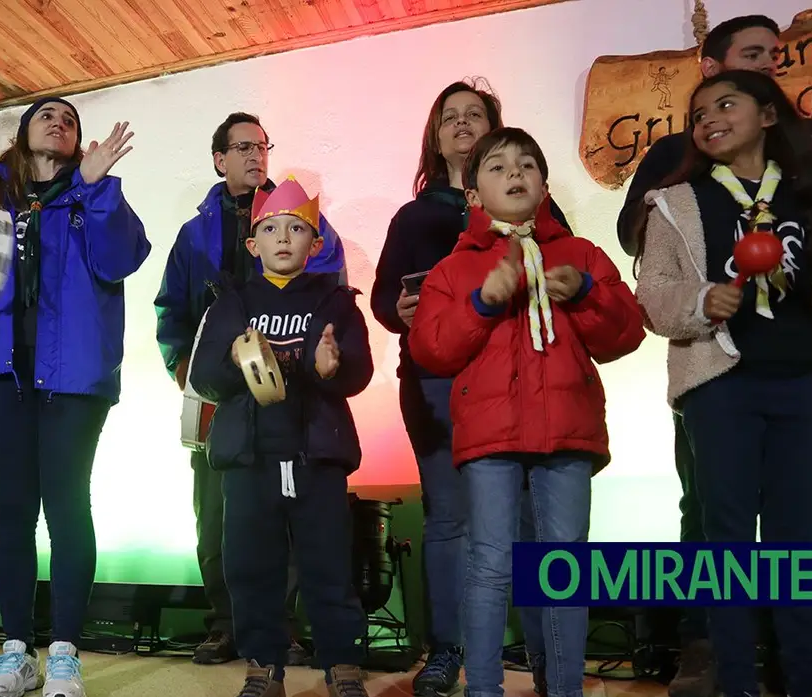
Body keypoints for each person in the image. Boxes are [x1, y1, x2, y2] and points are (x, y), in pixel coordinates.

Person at [614, 16, 812, 697]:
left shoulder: (807, 194)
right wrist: (704, 301)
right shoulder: (673, 201)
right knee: (725, 537)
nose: (708, 119)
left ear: (766, 112)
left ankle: (809, 678)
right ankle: (734, 680)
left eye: (725, 105)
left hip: (801, 383)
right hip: (719, 385)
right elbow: (655, 296)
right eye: (699, 113)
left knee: (798, 540)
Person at [409, 128, 645, 697]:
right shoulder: (453, 270)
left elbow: (627, 332)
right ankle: (483, 688)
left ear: (542, 185)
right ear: (473, 195)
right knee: (489, 564)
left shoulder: (582, 256)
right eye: (496, 167)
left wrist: (586, 293)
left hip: (568, 432)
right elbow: (431, 348)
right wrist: (483, 302)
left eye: (527, 165)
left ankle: (562, 688)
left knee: (564, 568)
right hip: (489, 437)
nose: (514, 174)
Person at [0, 96, 150, 697]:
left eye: (69, 120)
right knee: (10, 510)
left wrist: (93, 187)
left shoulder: (95, 191)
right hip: (1, 375)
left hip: (75, 375)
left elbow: (119, 260)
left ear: (78, 144)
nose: (58, 123)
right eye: (46, 116)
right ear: (24, 134)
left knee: (66, 506)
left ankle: (63, 651)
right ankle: (15, 652)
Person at [369, 80, 562, 697]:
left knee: (532, 520)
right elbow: (381, 302)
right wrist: (402, 309)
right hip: (434, 381)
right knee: (448, 519)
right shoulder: (413, 215)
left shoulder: (536, 211)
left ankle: (543, 651)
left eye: (473, 115)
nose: (460, 124)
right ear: (435, 134)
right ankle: (446, 650)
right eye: (449, 117)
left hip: (518, 378)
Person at [153, 112, 345, 666]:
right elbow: (170, 308)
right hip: (221, 396)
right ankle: (224, 623)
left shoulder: (302, 222)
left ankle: (278, 625)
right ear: (219, 159)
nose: (255, 155)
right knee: (215, 515)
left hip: (293, 397)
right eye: (241, 147)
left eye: (262, 145)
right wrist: (187, 371)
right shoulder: (194, 235)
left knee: (284, 511)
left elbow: (330, 284)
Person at [189, 176, 373, 697]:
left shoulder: (336, 301)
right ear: (254, 244)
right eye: (272, 228)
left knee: (329, 564)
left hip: (316, 454)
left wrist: (331, 367)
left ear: (316, 244)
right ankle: (263, 665)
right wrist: (230, 361)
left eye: (298, 229)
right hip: (250, 459)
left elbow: (356, 373)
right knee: (250, 567)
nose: (285, 237)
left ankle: (342, 663)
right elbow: (202, 379)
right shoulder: (230, 302)